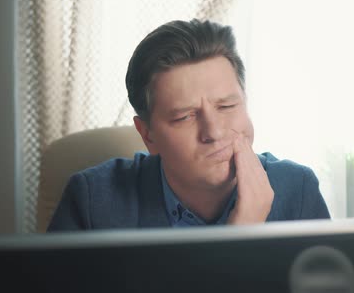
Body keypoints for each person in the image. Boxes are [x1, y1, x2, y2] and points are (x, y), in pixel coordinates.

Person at [48, 19, 330, 231]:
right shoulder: (91, 200)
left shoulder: (298, 191)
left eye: (228, 106)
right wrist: (240, 238)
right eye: (185, 117)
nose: (215, 132)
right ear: (148, 135)